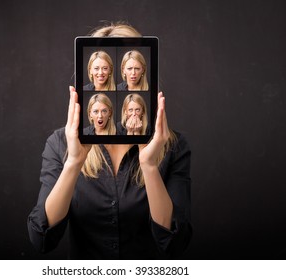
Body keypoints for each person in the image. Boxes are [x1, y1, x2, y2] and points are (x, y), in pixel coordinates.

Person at [27, 22, 192, 259]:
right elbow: (41, 239)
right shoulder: (59, 144)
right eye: (97, 69)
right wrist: (74, 162)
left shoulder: (174, 147)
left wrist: (150, 166)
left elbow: (175, 243)